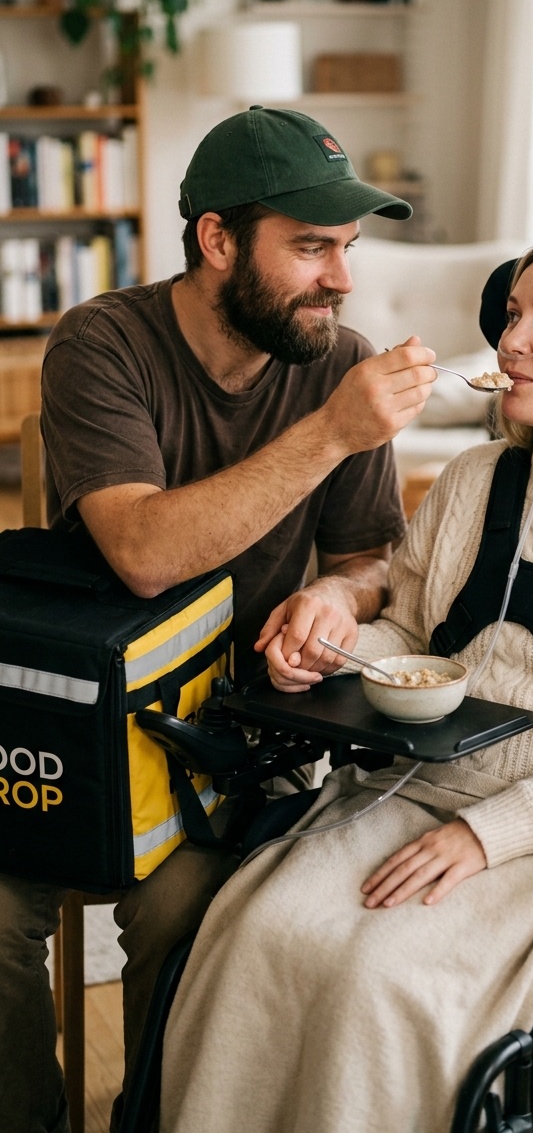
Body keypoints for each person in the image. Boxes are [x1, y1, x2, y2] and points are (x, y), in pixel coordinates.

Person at [160, 233, 533, 1133]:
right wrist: (339, 642)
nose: (511, 339)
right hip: (417, 784)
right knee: (254, 932)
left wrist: (486, 836)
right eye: (512, 314)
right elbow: (416, 631)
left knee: (379, 981)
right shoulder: (474, 479)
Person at [0, 105, 438, 1133]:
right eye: (312, 247)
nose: (341, 277)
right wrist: (332, 433)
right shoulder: (103, 342)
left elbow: (367, 559)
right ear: (217, 241)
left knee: (186, 911)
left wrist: (336, 597)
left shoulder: (341, 357)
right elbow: (143, 554)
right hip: (83, 726)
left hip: (236, 739)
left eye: (349, 249)